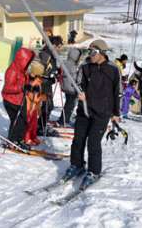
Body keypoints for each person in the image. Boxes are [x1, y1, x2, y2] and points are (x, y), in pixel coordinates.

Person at [62, 39, 121, 189]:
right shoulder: (86, 67)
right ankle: (77, 164)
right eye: (89, 52)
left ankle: (94, 171)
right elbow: (78, 85)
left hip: (102, 112)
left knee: (93, 142)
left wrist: (115, 113)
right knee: (78, 139)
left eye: (93, 52)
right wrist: (79, 92)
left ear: (102, 53)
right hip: (84, 110)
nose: (91, 55)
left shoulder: (113, 70)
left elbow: (116, 93)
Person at [2, 48, 35, 150]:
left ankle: (19, 139)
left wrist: (30, 83)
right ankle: (13, 140)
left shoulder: (22, 70)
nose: (28, 64)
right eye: (27, 61)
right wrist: (22, 88)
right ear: (22, 60)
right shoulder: (12, 71)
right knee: (17, 121)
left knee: (23, 120)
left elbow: (24, 82)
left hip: (19, 99)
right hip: (10, 100)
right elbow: (7, 88)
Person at [38, 36, 63, 136]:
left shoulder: (50, 53)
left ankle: (42, 124)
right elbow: (42, 70)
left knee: (47, 106)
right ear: (53, 45)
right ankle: (41, 127)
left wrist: (57, 72)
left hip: (47, 83)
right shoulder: (46, 54)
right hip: (43, 84)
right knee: (48, 106)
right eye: (58, 46)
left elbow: (51, 67)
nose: (59, 49)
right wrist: (53, 73)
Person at [57, 47, 82, 127]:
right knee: (70, 105)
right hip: (72, 87)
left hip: (65, 86)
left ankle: (63, 119)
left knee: (68, 103)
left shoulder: (65, 62)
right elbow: (76, 78)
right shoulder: (74, 66)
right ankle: (64, 120)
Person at [23, 60, 46, 146]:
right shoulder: (31, 82)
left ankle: (33, 136)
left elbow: (38, 95)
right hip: (29, 107)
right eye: (40, 75)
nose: (41, 77)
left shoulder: (38, 82)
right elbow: (32, 96)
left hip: (35, 107)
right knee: (29, 123)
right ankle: (27, 138)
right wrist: (42, 97)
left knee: (34, 123)